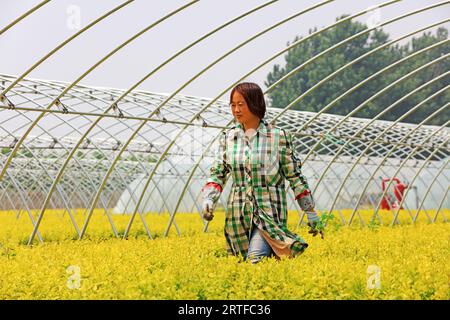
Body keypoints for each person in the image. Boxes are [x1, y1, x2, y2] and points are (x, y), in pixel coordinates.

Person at [201, 82, 324, 263]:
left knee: (256, 259)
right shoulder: (228, 138)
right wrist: (209, 198)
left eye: (241, 104)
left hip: (269, 213)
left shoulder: (278, 137)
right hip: (239, 215)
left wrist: (310, 212)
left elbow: (295, 176)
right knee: (244, 265)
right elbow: (218, 172)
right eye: (233, 105)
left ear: (255, 103)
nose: (236, 110)